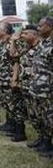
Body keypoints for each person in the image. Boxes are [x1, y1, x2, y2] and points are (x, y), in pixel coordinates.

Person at [31, 17, 53, 157]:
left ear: (50, 26)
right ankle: (46, 143)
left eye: (41, 26)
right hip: (39, 89)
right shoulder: (43, 44)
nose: (38, 28)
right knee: (44, 118)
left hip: (49, 90)